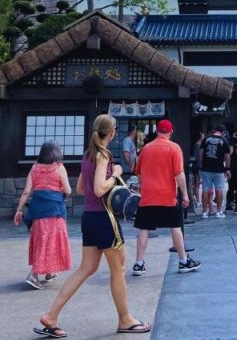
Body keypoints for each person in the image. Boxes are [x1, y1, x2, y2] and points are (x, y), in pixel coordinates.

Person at [36, 115, 150, 337]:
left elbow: (81, 188)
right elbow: (98, 189)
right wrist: (115, 175)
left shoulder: (87, 155)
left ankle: (51, 315)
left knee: (86, 268)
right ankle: (125, 319)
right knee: (118, 270)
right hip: (104, 218)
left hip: (89, 217)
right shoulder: (102, 155)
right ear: (113, 132)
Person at [131, 119, 200, 276]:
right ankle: (183, 261)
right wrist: (185, 195)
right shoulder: (174, 148)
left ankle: (138, 263)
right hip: (167, 195)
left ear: (157, 131)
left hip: (148, 196)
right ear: (171, 131)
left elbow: (139, 173)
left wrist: (143, 187)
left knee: (144, 228)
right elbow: (179, 174)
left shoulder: (145, 149)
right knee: (175, 227)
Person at [15, 140, 72, 290]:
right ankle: (34, 274)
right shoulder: (60, 168)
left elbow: (27, 192)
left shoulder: (34, 168)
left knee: (42, 241)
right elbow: (68, 190)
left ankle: (49, 272)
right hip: (55, 212)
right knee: (51, 242)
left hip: (38, 212)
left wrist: (19, 210)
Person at [200, 125, 230, 219]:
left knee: (205, 189)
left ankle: (204, 212)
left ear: (215, 130)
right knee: (219, 189)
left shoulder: (206, 139)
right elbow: (227, 157)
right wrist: (227, 169)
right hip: (219, 169)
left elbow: (201, 154)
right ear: (223, 132)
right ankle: (219, 211)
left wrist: (202, 165)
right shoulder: (224, 141)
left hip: (206, 168)